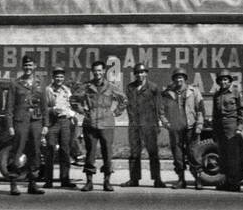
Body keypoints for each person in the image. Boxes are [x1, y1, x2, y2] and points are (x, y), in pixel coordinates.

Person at [6, 55, 49, 196]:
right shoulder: (16, 83)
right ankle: (13, 183)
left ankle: (32, 183)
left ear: (35, 66)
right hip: (20, 121)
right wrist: (10, 125)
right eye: (25, 65)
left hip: (36, 121)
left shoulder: (39, 83)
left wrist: (46, 124)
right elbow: (10, 106)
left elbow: (44, 105)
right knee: (17, 151)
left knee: (35, 152)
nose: (28, 68)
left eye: (30, 65)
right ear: (22, 66)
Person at [80, 60, 126, 191]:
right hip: (90, 123)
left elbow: (123, 100)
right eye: (95, 71)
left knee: (107, 152)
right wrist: (83, 111)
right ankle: (89, 181)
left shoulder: (111, 86)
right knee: (90, 153)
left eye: (100, 70)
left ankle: (107, 181)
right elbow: (74, 99)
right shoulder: (87, 86)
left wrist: (115, 112)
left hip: (107, 123)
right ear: (92, 72)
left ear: (104, 71)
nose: (97, 73)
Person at [123, 62, 166, 187]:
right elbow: (128, 105)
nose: (139, 75)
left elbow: (159, 106)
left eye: (142, 72)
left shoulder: (153, 88)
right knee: (134, 153)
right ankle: (134, 179)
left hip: (149, 124)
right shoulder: (130, 87)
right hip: (135, 125)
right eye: (137, 73)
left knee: (153, 153)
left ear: (146, 73)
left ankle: (157, 179)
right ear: (134, 75)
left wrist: (158, 124)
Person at [161, 70, 205, 189]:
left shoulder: (194, 91)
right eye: (176, 78)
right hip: (175, 128)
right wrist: (166, 123)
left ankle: (198, 180)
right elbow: (161, 111)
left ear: (185, 79)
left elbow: (200, 109)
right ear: (173, 79)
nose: (178, 80)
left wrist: (199, 125)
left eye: (181, 78)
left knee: (193, 153)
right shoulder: (168, 93)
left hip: (190, 127)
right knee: (178, 155)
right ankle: (181, 180)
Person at [43, 68, 81, 189]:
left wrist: (73, 115)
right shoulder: (48, 90)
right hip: (52, 122)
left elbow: (71, 105)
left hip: (65, 122)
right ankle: (48, 180)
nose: (59, 79)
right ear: (53, 77)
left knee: (65, 150)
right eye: (57, 77)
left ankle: (65, 180)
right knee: (50, 150)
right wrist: (52, 110)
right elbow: (44, 108)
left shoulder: (66, 90)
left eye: (61, 77)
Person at [211, 71, 243, 192]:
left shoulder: (236, 93)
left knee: (233, 157)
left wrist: (240, 127)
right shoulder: (216, 95)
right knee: (222, 157)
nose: (223, 82)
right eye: (221, 80)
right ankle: (224, 182)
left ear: (230, 81)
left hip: (232, 126)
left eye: (226, 80)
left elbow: (242, 112)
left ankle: (234, 183)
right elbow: (215, 113)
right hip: (220, 127)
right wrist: (214, 129)